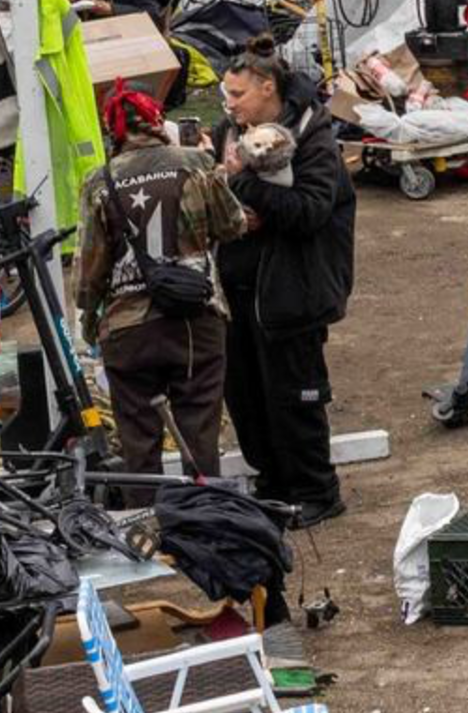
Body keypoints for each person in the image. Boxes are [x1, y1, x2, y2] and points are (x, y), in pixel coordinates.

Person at [72, 88, 242, 480]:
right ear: (157, 122)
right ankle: (206, 520)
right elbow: (232, 225)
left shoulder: (100, 181)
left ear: (112, 132)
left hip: (127, 328)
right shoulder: (197, 163)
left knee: (137, 440)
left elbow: (89, 270)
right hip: (196, 319)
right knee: (199, 429)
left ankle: (142, 527)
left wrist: (89, 318)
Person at [212, 54, 352, 526]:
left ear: (268, 87)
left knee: (296, 396)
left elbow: (309, 210)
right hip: (239, 288)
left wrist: (245, 189)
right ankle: (272, 481)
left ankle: (316, 490)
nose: (230, 105)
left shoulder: (315, 139)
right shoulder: (227, 133)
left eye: (238, 94)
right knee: (247, 395)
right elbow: (224, 194)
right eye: (226, 94)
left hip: (294, 291)